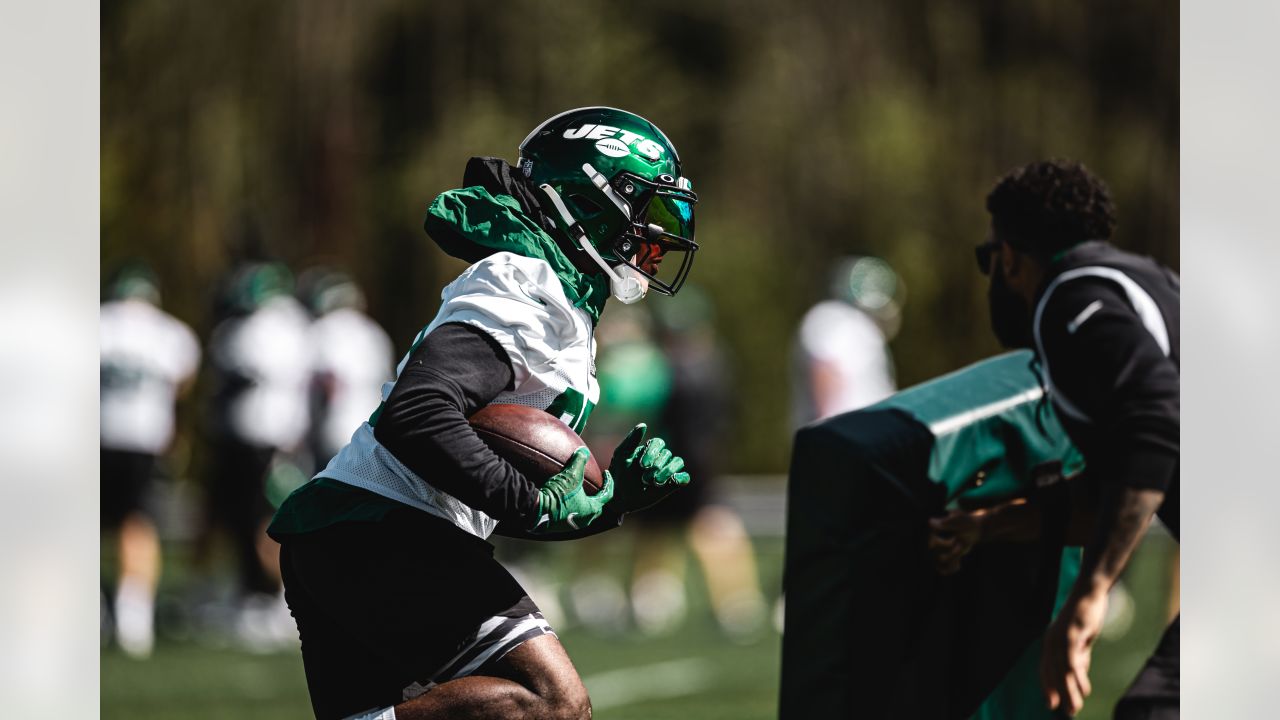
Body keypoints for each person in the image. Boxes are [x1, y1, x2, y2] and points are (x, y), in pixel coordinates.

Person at [269, 106, 699, 720]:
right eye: (651, 214)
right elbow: (416, 413)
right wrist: (533, 503)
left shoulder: (561, 301)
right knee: (553, 703)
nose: (661, 239)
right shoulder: (525, 284)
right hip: (382, 528)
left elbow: (484, 485)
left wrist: (608, 505)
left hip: (357, 530)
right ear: (590, 200)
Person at [930, 160, 1179, 718]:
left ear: (1010, 257)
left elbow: (1159, 422)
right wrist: (988, 526)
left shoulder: (1069, 300)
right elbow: (1108, 496)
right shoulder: (1145, 278)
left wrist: (1089, 597)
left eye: (986, 258)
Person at [202, 261, 313, 641]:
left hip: (262, 436)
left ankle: (272, 596)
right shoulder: (293, 327)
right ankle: (258, 593)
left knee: (261, 519)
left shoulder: (261, 329)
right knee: (251, 518)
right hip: (271, 434)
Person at [100, 261, 201, 658]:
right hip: (145, 440)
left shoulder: (98, 323)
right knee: (137, 523)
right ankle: (134, 614)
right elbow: (183, 381)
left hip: (99, 436)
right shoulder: (170, 332)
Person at [298, 268, 395, 467]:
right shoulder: (375, 332)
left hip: (337, 428)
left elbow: (330, 382)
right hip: (373, 431)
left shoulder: (327, 328)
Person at [791, 255, 902, 427]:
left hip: (863, 434)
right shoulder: (834, 317)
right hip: (849, 435)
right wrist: (827, 430)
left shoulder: (857, 324)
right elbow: (824, 367)